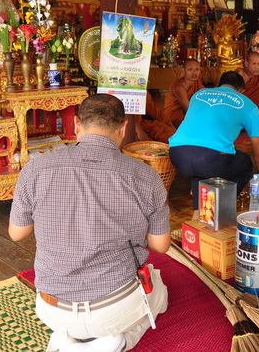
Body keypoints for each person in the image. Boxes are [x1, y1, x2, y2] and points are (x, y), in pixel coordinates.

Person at [9, 94, 170, 351]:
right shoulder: (145, 175)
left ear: (76, 124)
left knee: (70, 320)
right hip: (115, 308)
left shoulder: (35, 169)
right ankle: (118, 341)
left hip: (52, 308)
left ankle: (66, 337)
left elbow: (17, 233)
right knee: (159, 290)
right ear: (123, 128)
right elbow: (160, 246)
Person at [169, 71, 259, 216]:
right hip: (209, 159)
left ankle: (198, 214)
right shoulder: (249, 106)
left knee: (200, 172)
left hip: (177, 154)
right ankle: (217, 210)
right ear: (242, 91)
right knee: (245, 163)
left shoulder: (198, 94)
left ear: (218, 85)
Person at [163, 58, 203, 127]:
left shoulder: (197, 83)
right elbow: (187, 108)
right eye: (190, 69)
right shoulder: (179, 87)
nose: (194, 72)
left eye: (197, 69)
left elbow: (205, 95)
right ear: (183, 70)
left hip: (190, 113)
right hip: (174, 117)